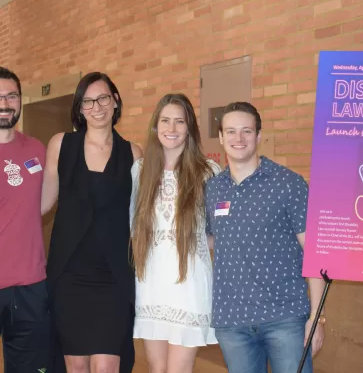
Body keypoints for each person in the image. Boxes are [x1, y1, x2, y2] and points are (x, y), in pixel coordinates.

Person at [205, 102, 325, 373]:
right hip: (232, 321)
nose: (239, 138)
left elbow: (314, 253)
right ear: (221, 137)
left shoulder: (288, 184)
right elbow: (211, 241)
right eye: (231, 131)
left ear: (258, 137)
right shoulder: (213, 189)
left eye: (247, 131)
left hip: (285, 318)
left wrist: (318, 317)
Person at [42, 72, 142, 373]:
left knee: (106, 365)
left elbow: (141, 217)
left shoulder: (133, 153)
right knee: (76, 366)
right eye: (87, 101)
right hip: (69, 275)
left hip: (113, 277)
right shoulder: (61, 145)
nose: (96, 107)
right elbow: (41, 203)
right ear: (79, 107)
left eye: (102, 98)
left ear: (115, 101)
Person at [131, 93, 220, 373]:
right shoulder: (140, 171)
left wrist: (196, 244)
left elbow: (221, 231)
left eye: (179, 122)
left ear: (190, 127)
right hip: (150, 283)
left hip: (189, 284)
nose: (171, 129)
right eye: (165, 121)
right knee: (156, 369)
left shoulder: (208, 172)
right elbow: (131, 226)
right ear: (155, 127)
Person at [0, 66, 49, 373]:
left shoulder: (36, 149)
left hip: (31, 286)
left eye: (11, 95)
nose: (5, 102)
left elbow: (40, 204)